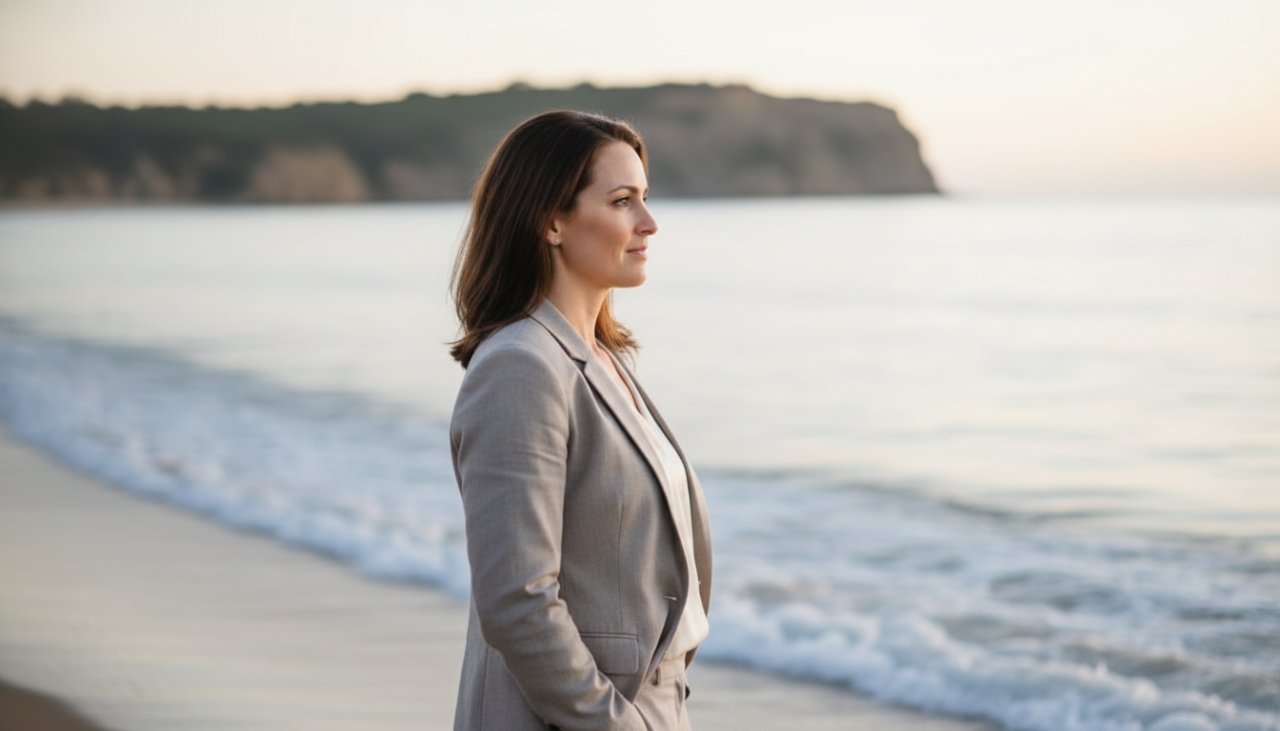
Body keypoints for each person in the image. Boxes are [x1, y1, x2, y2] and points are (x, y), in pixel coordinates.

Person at [446, 109, 713, 731]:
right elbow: (518, 600)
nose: (648, 222)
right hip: (578, 716)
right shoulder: (521, 366)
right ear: (551, 222)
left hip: (650, 702)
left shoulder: (602, 360)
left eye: (644, 197)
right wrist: (617, 723)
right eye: (622, 201)